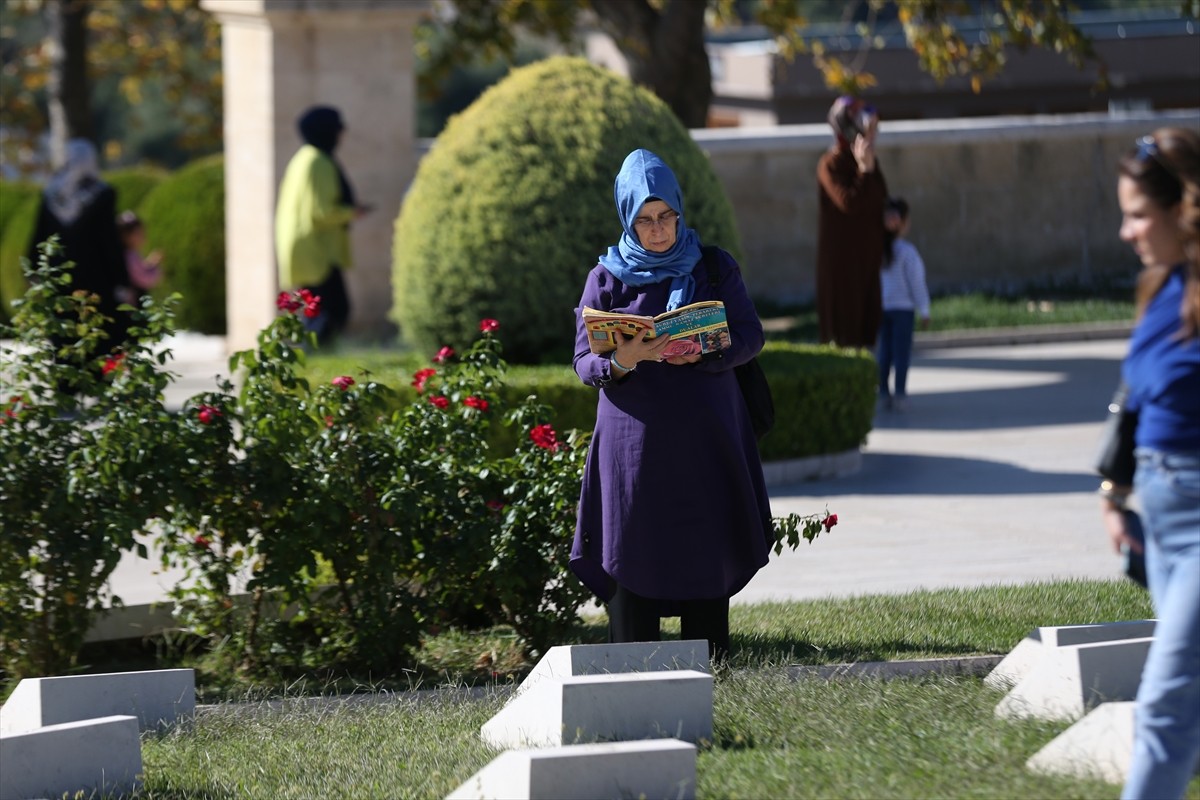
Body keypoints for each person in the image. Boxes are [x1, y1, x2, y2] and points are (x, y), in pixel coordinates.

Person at [569, 148, 774, 663]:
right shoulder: (607, 279)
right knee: (634, 553)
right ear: (626, 218)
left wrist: (704, 351)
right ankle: (636, 684)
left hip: (705, 443)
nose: (657, 230)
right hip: (633, 453)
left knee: (703, 553)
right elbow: (582, 362)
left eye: (666, 217)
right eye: (644, 220)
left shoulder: (713, 266)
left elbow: (750, 336)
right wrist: (623, 359)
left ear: (680, 213)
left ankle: (711, 682)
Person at [1099, 126, 1200, 800]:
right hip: (1161, 523)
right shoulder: (1162, 288)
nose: (1126, 232)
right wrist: (1115, 491)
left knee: (1163, 704)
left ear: (1184, 209)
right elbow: (1132, 397)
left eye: (1138, 214)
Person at [27, 138, 133, 356]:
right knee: (100, 334)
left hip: (60, 279)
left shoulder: (51, 195)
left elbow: (38, 238)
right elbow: (109, 242)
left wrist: (33, 273)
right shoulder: (102, 194)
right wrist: (122, 280)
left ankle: (67, 385)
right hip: (97, 279)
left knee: (64, 336)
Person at [274, 105, 368, 346]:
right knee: (334, 310)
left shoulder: (304, 158)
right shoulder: (318, 161)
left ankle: (312, 355)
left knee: (319, 309)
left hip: (307, 248)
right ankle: (315, 357)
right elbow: (322, 212)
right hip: (318, 251)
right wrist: (353, 212)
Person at [815, 95, 889, 349]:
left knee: (869, 330)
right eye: (867, 128)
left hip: (867, 261)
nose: (872, 135)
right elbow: (849, 203)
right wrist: (864, 171)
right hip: (843, 268)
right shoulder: (830, 164)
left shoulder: (869, 162)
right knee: (846, 333)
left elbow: (880, 199)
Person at [877, 196, 931, 411]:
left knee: (884, 353)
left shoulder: (876, 252)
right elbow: (917, 284)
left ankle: (883, 393)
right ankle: (900, 394)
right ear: (903, 222)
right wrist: (925, 309)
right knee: (901, 354)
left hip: (883, 309)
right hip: (903, 311)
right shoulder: (908, 253)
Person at [115, 210, 163, 305]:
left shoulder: (127, 254)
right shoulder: (130, 257)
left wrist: (151, 262)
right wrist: (157, 271)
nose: (143, 236)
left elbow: (139, 270)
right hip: (134, 303)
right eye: (138, 234)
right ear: (125, 237)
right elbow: (144, 280)